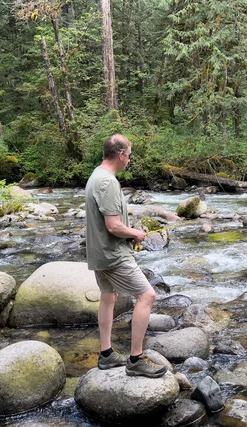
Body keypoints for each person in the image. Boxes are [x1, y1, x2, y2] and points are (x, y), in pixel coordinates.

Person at [85, 134, 167, 378]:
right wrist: (135, 233)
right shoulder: (108, 182)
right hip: (113, 255)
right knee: (147, 295)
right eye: (129, 155)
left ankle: (107, 354)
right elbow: (113, 226)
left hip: (100, 253)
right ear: (120, 154)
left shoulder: (95, 176)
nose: (129, 161)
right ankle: (136, 359)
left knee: (109, 297)